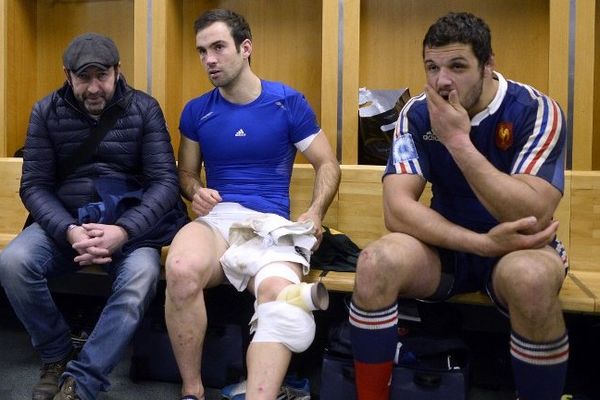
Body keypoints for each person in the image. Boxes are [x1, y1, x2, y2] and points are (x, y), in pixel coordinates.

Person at [349, 12, 568, 400]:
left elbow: (530, 214)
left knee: (530, 280)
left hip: (520, 246)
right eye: (432, 67)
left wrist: (458, 142)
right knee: (374, 262)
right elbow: (397, 211)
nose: (441, 80)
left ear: (488, 65)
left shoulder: (536, 110)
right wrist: (480, 243)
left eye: (457, 66)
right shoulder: (416, 113)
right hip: (450, 245)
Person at [164, 8, 341, 400]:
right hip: (219, 220)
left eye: (218, 47)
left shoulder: (286, 102)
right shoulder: (197, 110)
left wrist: (314, 213)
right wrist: (196, 192)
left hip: (271, 223)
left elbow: (327, 163)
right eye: (202, 51)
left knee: (278, 299)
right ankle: (192, 390)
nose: (209, 59)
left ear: (245, 49)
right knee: (179, 268)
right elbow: (186, 174)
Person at [0, 33, 187, 400]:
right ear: (67, 76)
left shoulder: (144, 109)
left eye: (102, 75)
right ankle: (57, 352)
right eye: (83, 77)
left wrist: (123, 230)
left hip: (130, 227)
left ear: (118, 71)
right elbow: (34, 186)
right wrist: (69, 230)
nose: (94, 87)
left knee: (142, 276)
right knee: (13, 263)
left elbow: (164, 183)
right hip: (67, 224)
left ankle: (83, 379)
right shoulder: (45, 111)